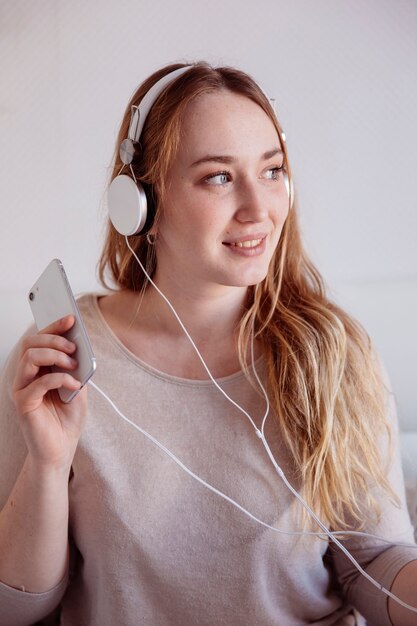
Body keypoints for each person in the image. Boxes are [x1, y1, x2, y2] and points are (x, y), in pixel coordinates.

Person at [0, 61, 416, 626]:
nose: (258, 207)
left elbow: (374, 561)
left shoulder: (334, 350)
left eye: (272, 170)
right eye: (219, 177)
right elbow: (17, 608)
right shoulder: (60, 357)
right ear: (140, 203)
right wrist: (48, 466)